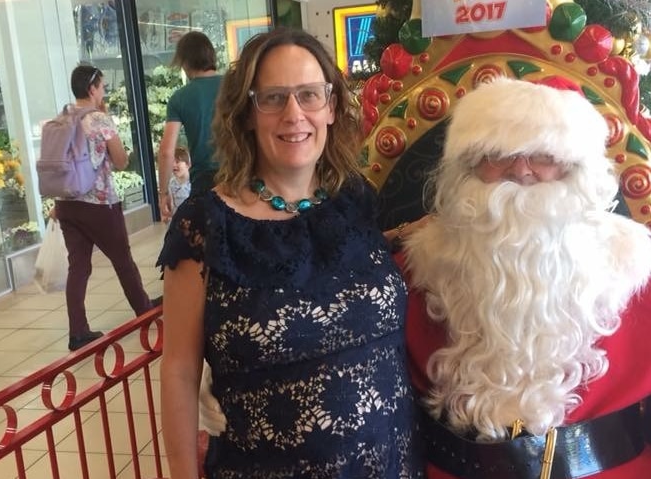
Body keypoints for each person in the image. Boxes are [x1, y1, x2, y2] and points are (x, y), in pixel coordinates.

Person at [156, 27, 424, 478]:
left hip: (395, 462)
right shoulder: (204, 226)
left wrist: (409, 234)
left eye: (309, 95)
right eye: (274, 98)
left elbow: (343, 265)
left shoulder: (355, 198)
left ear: (332, 107)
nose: (294, 114)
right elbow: (179, 369)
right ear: (246, 114)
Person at [402, 77, 651, 478]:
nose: (520, 171)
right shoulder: (416, 271)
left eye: (543, 155)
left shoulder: (639, 273)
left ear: (574, 168)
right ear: (468, 166)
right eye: (499, 154)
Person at [54, 64, 153, 351]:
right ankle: (145, 312)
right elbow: (121, 160)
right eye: (102, 86)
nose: (104, 90)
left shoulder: (62, 117)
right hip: (98, 203)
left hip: (66, 203)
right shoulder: (99, 119)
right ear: (92, 88)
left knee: (79, 266)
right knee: (122, 259)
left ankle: (78, 331)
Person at [157, 31, 223, 222]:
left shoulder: (180, 98)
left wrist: (163, 193)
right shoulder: (234, 87)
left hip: (205, 180)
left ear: (184, 62)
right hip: (241, 174)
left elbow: (166, 152)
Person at [165, 146, 191, 221]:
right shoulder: (171, 183)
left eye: (177, 162)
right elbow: (171, 204)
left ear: (187, 164)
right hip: (178, 218)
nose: (173, 165)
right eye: (172, 162)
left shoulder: (193, 182)